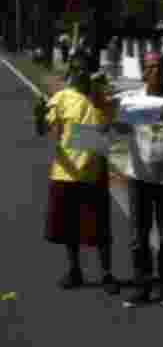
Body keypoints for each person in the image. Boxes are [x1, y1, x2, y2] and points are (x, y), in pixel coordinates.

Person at [35, 54, 120, 295]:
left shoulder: (101, 97)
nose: (80, 73)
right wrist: (38, 115)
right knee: (68, 228)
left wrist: (102, 97)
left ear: (91, 72)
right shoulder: (61, 98)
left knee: (100, 229)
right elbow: (43, 129)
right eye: (77, 69)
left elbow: (110, 129)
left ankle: (107, 274)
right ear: (71, 71)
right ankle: (75, 271)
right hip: (65, 173)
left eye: (85, 69)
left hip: (94, 172)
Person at [115, 52, 163, 308]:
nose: (154, 71)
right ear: (143, 72)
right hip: (139, 179)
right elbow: (120, 130)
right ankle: (142, 287)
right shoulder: (133, 99)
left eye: (158, 67)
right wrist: (116, 118)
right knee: (139, 236)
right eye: (149, 67)